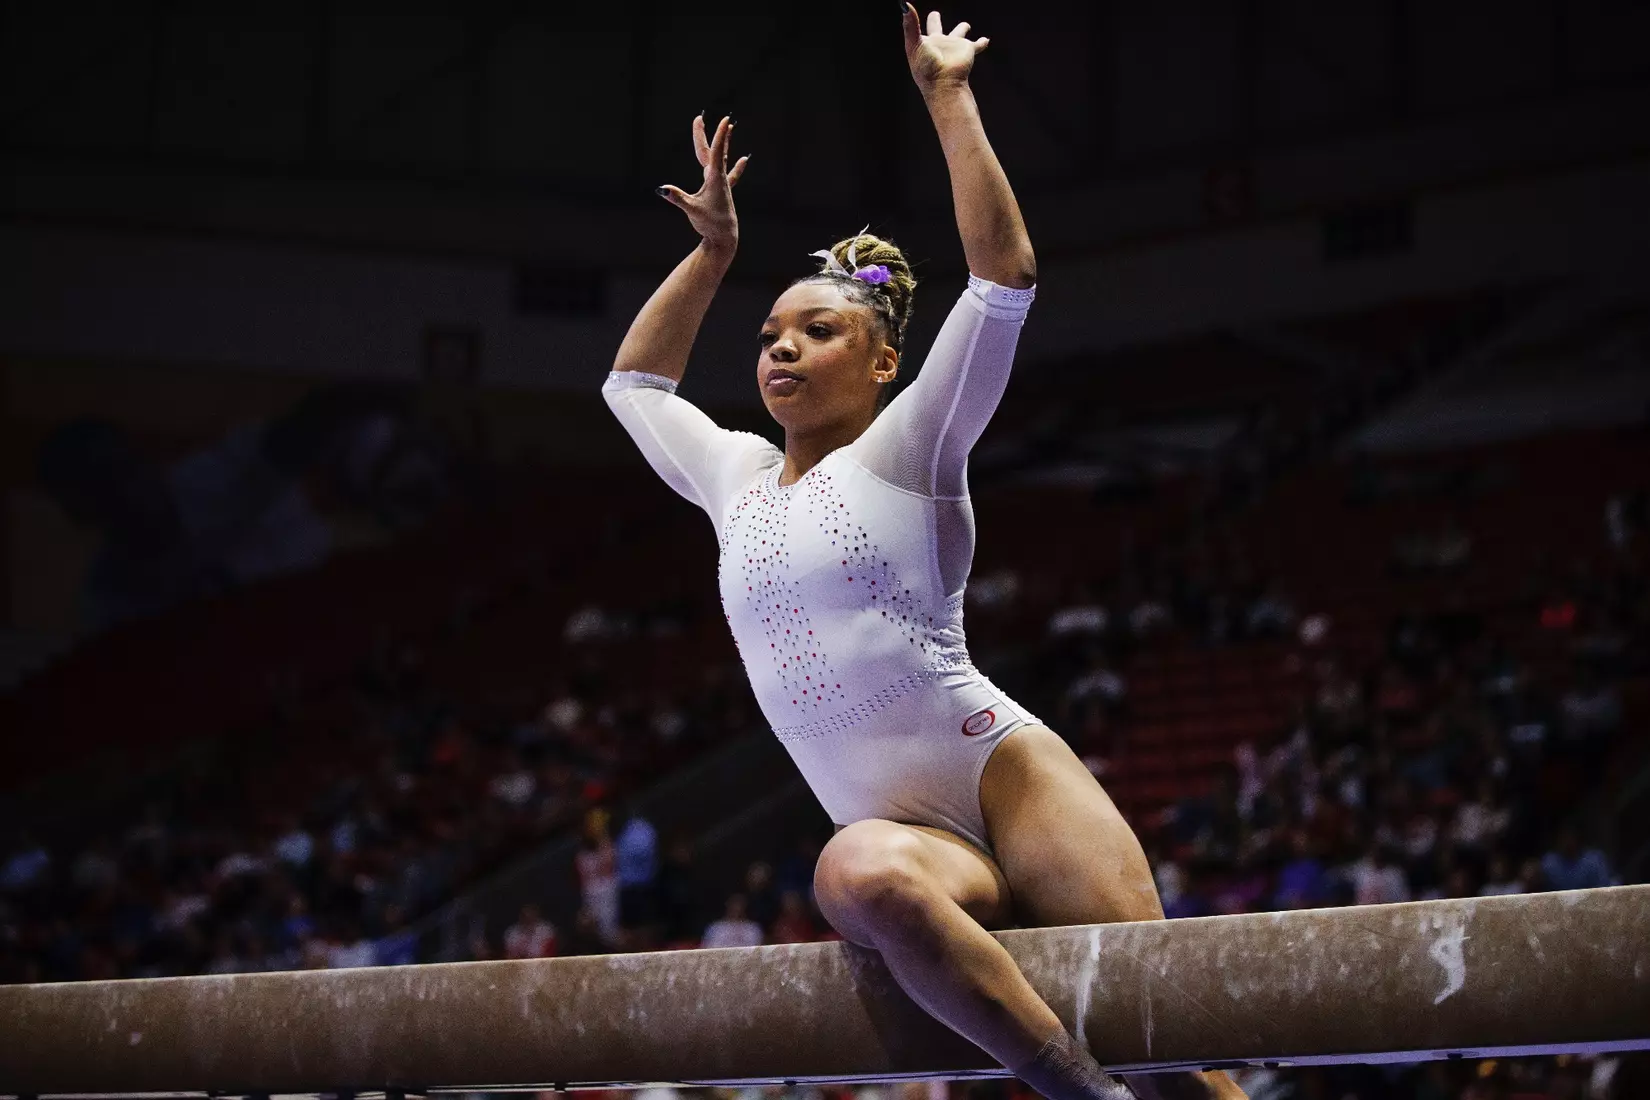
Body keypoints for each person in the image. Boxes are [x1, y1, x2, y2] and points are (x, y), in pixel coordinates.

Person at [601, 10, 1244, 1100]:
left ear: (884, 363)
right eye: (770, 335)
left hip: (1009, 781)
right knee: (852, 870)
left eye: (819, 331)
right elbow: (634, 387)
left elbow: (1003, 281)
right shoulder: (736, 478)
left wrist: (950, 100)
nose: (783, 346)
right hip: (899, 840)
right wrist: (712, 255)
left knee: (1178, 1060)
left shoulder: (908, 450)